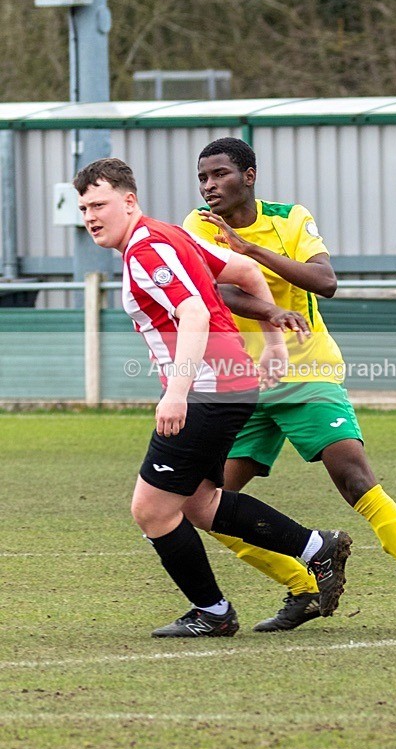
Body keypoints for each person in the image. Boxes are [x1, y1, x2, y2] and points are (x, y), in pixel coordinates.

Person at [182, 137, 396, 634]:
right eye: (203, 176)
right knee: (202, 504)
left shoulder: (291, 218)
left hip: (307, 374)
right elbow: (216, 290)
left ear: (248, 176)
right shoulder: (197, 226)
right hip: (242, 385)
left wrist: (250, 251)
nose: (209, 185)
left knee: (357, 480)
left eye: (220, 174)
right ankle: (304, 586)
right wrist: (260, 293)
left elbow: (324, 281)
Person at [73, 157, 352, 639]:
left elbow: (195, 313)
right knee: (201, 503)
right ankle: (315, 548)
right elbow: (244, 268)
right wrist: (273, 345)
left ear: (129, 201)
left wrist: (177, 395)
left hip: (207, 390)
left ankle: (214, 611)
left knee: (151, 509)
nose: (91, 216)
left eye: (100, 203)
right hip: (228, 384)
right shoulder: (169, 236)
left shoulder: (147, 250)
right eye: (83, 208)